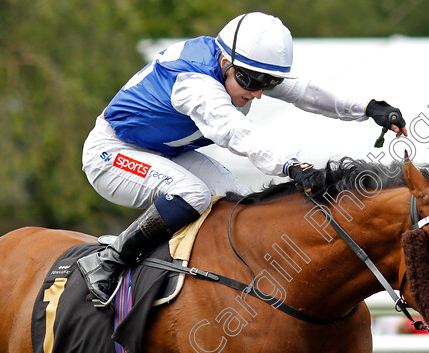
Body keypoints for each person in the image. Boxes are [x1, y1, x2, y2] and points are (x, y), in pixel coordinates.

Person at [77, 12, 408, 305]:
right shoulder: (196, 84)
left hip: (161, 152)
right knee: (193, 194)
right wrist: (292, 165)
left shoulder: (237, 63)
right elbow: (237, 132)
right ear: (224, 63)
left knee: (237, 202)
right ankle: (109, 261)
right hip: (112, 153)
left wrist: (367, 108)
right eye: (250, 82)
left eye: (268, 82)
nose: (258, 93)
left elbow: (303, 90)